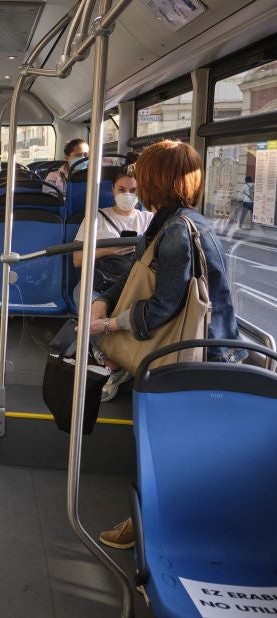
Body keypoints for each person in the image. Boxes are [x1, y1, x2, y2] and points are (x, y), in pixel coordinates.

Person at [90, 140, 246, 550]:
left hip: (197, 355)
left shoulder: (177, 232)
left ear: (152, 180)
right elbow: (143, 270)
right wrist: (104, 298)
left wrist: (108, 325)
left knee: (170, 445)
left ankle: (153, 528)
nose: (133, 186)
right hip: (205, 347)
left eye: (139, 177)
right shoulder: (172, 222)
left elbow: (160, 307)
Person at [72, 166, 153, 402]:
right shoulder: (96, 217)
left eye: (133, 190)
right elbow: (77, 259)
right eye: (122, 189)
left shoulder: (149, 220)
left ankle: (121, 362)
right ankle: (113, 364)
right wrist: (109, 249)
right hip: (98, 282)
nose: (127, 195)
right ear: (112, 190)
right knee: (91, 311)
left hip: (135, 284)